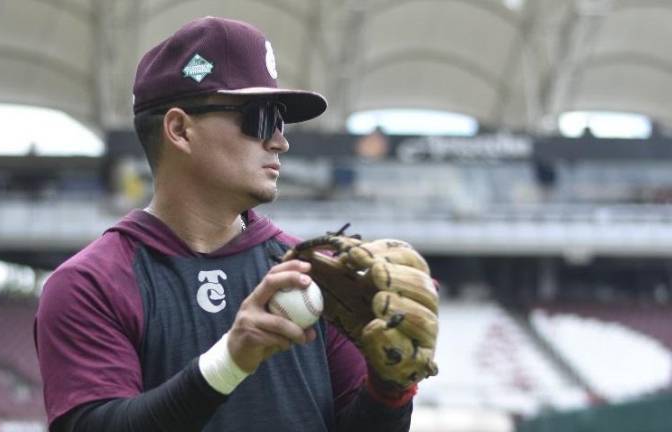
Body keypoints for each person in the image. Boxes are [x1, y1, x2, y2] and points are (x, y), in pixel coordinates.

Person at [35, 16, 418, 432]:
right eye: (259, 117)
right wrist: (230, 361)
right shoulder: (88, 284)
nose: (279, 140)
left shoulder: (316, 272)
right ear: (180, 129)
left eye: (281, 120)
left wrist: (391, 389)